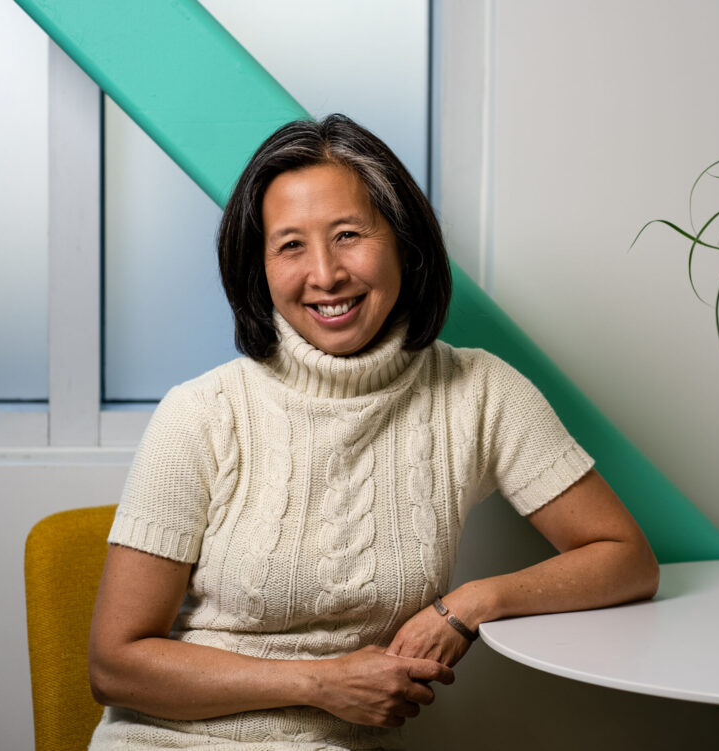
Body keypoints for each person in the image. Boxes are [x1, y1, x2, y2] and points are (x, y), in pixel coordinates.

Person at [87, 114, 659, 750]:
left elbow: (626, 559)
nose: (326, 274)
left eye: (348, 235)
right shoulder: (201, 412)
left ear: (403, 242)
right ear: (260, 267)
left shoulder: (479, 390)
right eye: (291, 246)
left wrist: (470, 604)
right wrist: (318, 683)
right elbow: (114, 665)